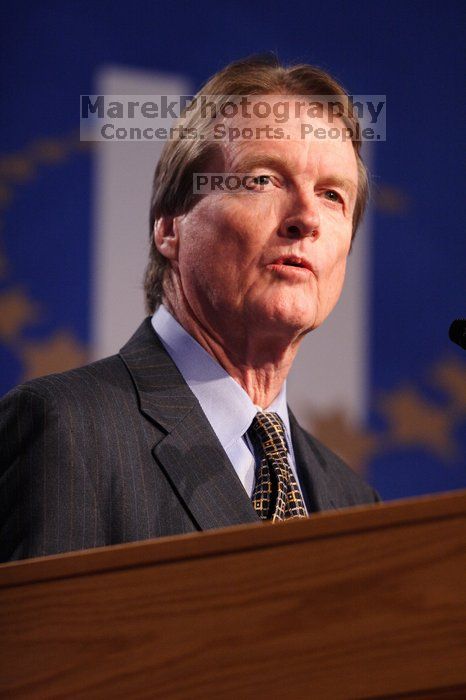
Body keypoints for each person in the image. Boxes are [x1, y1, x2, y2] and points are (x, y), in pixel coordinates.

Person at [0, 55, 379, 563]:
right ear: (170, 225)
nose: (307, 218)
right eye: (263, 180)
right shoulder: (66, 433)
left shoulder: (352, 503)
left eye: (333, 196)